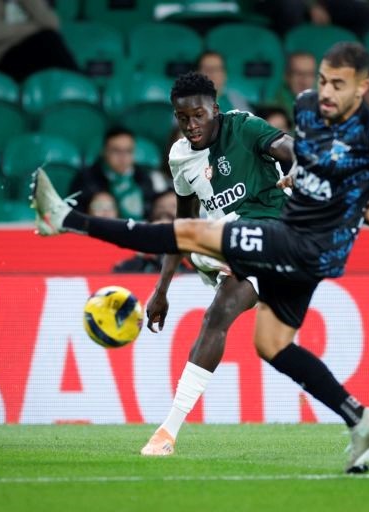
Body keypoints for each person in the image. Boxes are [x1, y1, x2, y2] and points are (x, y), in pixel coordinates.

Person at [31, 43, 369, 473]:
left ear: (362, 89)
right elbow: (292, 153)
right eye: (323, 79)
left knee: (198, 245)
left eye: (337, 84)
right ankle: (359, 417)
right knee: (269, 344)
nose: (324, 90)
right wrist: (161, 290)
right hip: (277, 249)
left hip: (284, 236)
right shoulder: (299, 110)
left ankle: (66, 217)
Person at [139, 72, 292, 455]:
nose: (191, 125)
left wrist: (299, 167)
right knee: (215, 308)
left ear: (216, 110)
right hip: (223, 241)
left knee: (217, 287)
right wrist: (161, 291)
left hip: (270, 234)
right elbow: (182, 225)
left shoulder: (245, 127)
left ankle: (166, 433)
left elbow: (289, 147)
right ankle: (167, 434)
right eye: (182, 117)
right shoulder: (180, 157)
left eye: (199, 116)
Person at [0, 0, 78, 83]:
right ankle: (79, 80)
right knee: (46, 40)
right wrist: (35, 28)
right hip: (5, 54)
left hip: (34, 47)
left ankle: (79, 85)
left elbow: (53, 23)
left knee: (50, 39)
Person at [69, 127, 157, 221]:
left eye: (128, 151)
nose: (123, 157)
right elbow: (76, 214)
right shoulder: (86, 178)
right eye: (116, 151)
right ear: (104, 151)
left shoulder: (143, 178)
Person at [273, 52, 317, 120]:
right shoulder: (276, 111)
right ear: (287, 76)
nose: (304, 81)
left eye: (310, 74)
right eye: (299, 74)